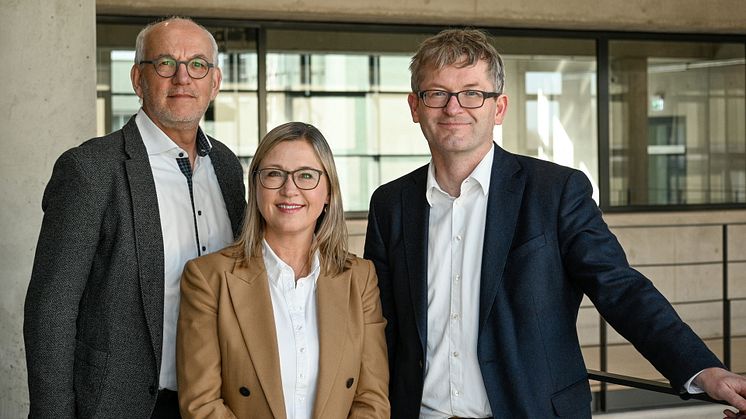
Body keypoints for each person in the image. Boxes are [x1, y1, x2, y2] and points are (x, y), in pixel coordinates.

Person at [363, 28, 746, 418]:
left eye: (473, 93)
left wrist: (702, 369)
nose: (454, 107)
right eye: (436, 93)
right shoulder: (390, 204)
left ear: (499, 108)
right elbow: (377, 326)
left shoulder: (556, 191)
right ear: (415, 106)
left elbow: (620, 289)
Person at [23, 17, 246, 419]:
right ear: (138, 79)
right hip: (126, 404)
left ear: (215, 82)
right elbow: (51, 312)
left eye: (198, 65)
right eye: (165, 63)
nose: (182, 78)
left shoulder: (228, 168)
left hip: (219, 401)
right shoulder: (90, 169)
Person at [176, 122, 390, 419]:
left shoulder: (360, 279)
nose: (290, 190)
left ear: (328, 192)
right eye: (274, 174)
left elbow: (372, 400)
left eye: (306, 175)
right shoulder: (209, 279)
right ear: (256, 187)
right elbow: (201, 404)